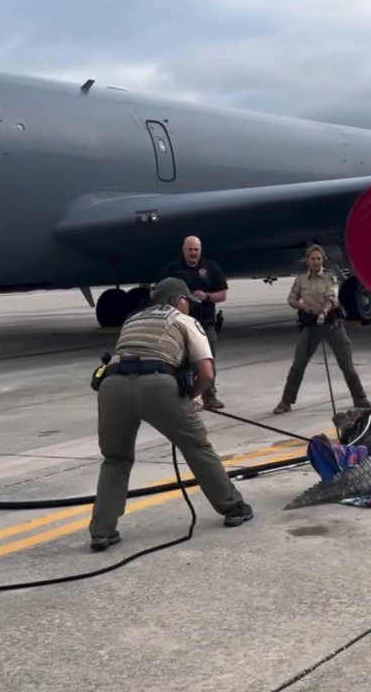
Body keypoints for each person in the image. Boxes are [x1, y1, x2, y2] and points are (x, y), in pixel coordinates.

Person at [88, 277, 253, 552]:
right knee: (197, 446)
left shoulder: (133, 320)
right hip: (157, 386)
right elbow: (207, 373)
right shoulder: (183, 320)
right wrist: (190, 396)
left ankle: (102, 531)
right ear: (178, 300)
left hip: (113, 387)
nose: (189, 305)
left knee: (115, 459)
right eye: (187, 300)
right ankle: (233, 506)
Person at [274, 245, 371, 414]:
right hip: (311, 325)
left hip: (332, 324)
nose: (316, 261)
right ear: (307, 260)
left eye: (318, 258)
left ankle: (360, 398)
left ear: (322, 259)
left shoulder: (330, 277)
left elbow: (332, 298)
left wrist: (324, 312)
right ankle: (286, 401)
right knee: (298, 365)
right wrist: (301, 306)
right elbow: (291, 298)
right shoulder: (301, 280)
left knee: (346, 364)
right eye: (313, 258)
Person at [160, 236, 228, 410]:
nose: (193, 253)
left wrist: (207, 296)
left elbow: (223, 294)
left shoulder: (211, 268)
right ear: (183, 250)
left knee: (207, 359)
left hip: (205, 324)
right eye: (190, 249)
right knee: (180, 361)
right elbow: (159, 292)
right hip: (180, 325)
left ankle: (210, 396)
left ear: (200, 250)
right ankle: (183, 396)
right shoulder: (173, 269)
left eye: (196, 249)